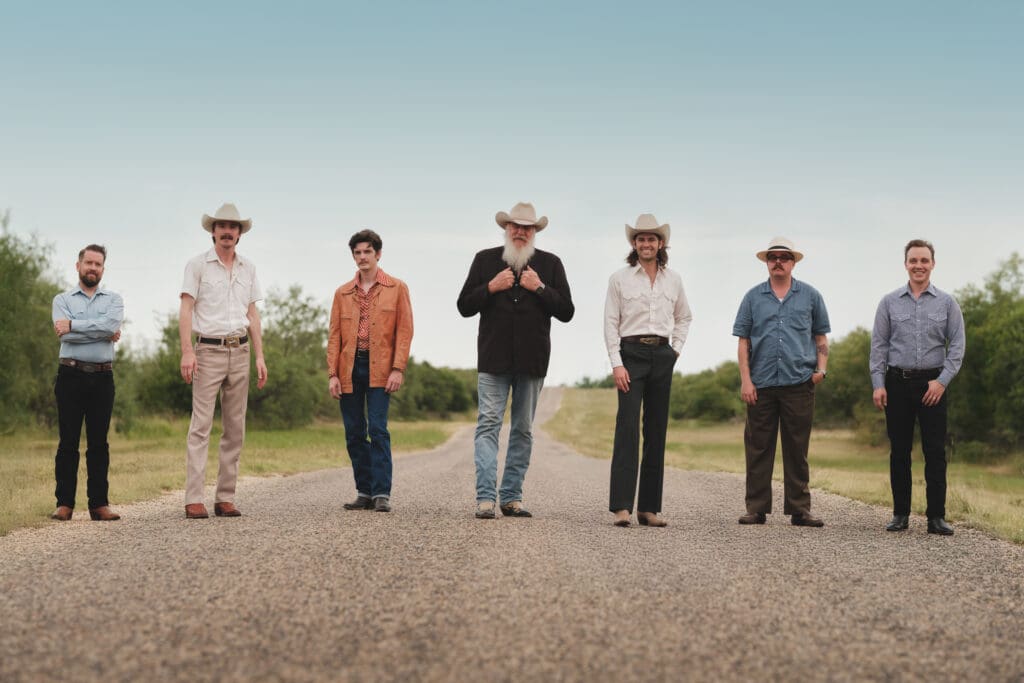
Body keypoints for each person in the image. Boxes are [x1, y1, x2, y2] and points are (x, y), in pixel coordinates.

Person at [457, 201, 574, 519]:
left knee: (522, 429)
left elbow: (567, 311)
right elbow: (464, 305)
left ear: (534, 232)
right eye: (515, 226)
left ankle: (511, 497)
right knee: (488, 426)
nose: (520, 232)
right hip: (493, 359)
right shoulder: (484, 261)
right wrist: (491, 287)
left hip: (532, 361)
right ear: (506, 229)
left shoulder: (550, 264)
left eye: (527, 227)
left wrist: (540, 288)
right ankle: (485, 498)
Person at [869, 239, 965, 536]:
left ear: (933, 264)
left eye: (924, 260)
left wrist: (942, 381)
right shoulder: (888, 302)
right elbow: (879, 346)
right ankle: (900, 515)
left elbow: (958, 346)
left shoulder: (947, 303)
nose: (919, 266)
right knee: (899, 451)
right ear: (906, 264)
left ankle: (936, 517)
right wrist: (878, 383)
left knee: (935, 451)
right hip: (897, 383)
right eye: (914, 260)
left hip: (933, 385)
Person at [733, 237, 830, 527]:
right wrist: (746, 381)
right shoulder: (752, 297)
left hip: (799, 382)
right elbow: (743, 342)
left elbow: (821, 337)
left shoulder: (811, 296)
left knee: (797, 449)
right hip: (761, 384)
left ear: (793, 262)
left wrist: (821, 370)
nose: (778, 261)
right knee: (758, 448)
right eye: (773, 257)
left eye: (784, 257)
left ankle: (800, 510)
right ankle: (756, 508)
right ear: (766, 262)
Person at [179, 203, 267, 519]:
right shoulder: (197, 266)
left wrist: (260, 356)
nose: (228, 232)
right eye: (222, 226)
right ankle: (194, 498)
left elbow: (252, 315)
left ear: (239, 234)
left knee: (235, 428)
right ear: (213, 231)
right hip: (207, 351)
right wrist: (187, 351)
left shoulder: (249, 268)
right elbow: (187, 309)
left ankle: (225, 497)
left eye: (233, 227)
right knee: (200, 426)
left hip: (240, 351)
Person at [604, 214, 693, 527]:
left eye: (651, 239)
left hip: (662, 355)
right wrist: (616, 363)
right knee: (627, 428)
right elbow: (610, 323)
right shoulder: (619, 278)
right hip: (631, 355)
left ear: (660, 243)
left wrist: (675, 351)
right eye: (641, 239)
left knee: (656, 431)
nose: (646, 244)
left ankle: (649, 509)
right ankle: (622, 507)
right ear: (634, 243)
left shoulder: (674, 279)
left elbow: (684, 317)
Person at [327, 230, 413, 513]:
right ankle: (363, 491)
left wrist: (398, 368)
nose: (362, 257)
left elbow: (405, 332)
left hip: (381, 367)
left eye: (367, 252)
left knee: (377, 429)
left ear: (378, 254)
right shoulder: (342, 293)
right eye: (357, 253)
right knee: (354, 431)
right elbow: (334, 336)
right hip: (349, 367)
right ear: (353, 256)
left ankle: (381, 493)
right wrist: (333, 374)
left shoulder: (397, 288)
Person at [50, 244, 124, 522]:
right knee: (67, 442)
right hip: (70, 375)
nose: (93, 268)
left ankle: (99, 505)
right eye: (88, 263)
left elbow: (108, 326)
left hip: (103, 378)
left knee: (98, 443)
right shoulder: (62, 299)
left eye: (98, 264)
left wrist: (75, 325)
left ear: (103, 269)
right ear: (78, 265)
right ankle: (64, 504)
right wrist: (102, 330)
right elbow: (64, 336)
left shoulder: (114, 299)